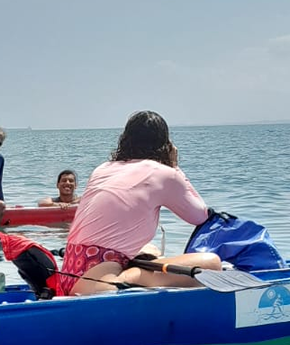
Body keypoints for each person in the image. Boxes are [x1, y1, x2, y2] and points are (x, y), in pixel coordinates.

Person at [60, 110, 221, 295]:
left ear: (125, 139)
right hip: (98, 282)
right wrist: (175, 168)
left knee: (149, 249)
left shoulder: (102, 168)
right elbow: (200, 216)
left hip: (69, 270)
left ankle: (132, 273)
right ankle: (134, 276)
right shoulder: (165, 173)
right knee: (211, 263)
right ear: (166, 144)